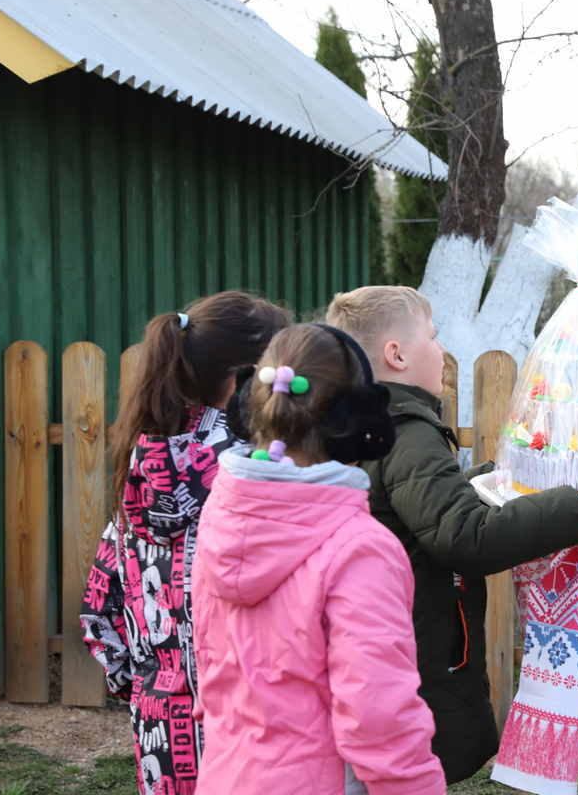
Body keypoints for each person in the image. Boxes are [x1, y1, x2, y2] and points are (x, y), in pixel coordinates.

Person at [325, 286, 578, 784]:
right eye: (433, 338)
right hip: (400, 655)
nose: (440, 350)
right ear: (397, 353)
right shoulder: (405, 430)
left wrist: (491, 481)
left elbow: (416, 506)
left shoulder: (355, 421)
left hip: (364, 655)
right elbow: (464, 535)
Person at [191, 323, 445, 794]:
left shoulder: (223, 515)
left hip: (228, 775)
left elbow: (212, 662)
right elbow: (377, 715)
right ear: (356, 418)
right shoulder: (360, 548)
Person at [79, 291, 290, 795]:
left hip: (161, 729)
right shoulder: (264, 473)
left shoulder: (139, 466)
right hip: (252, 718)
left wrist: (150, 686)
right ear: (246, 381)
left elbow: (99, 611)